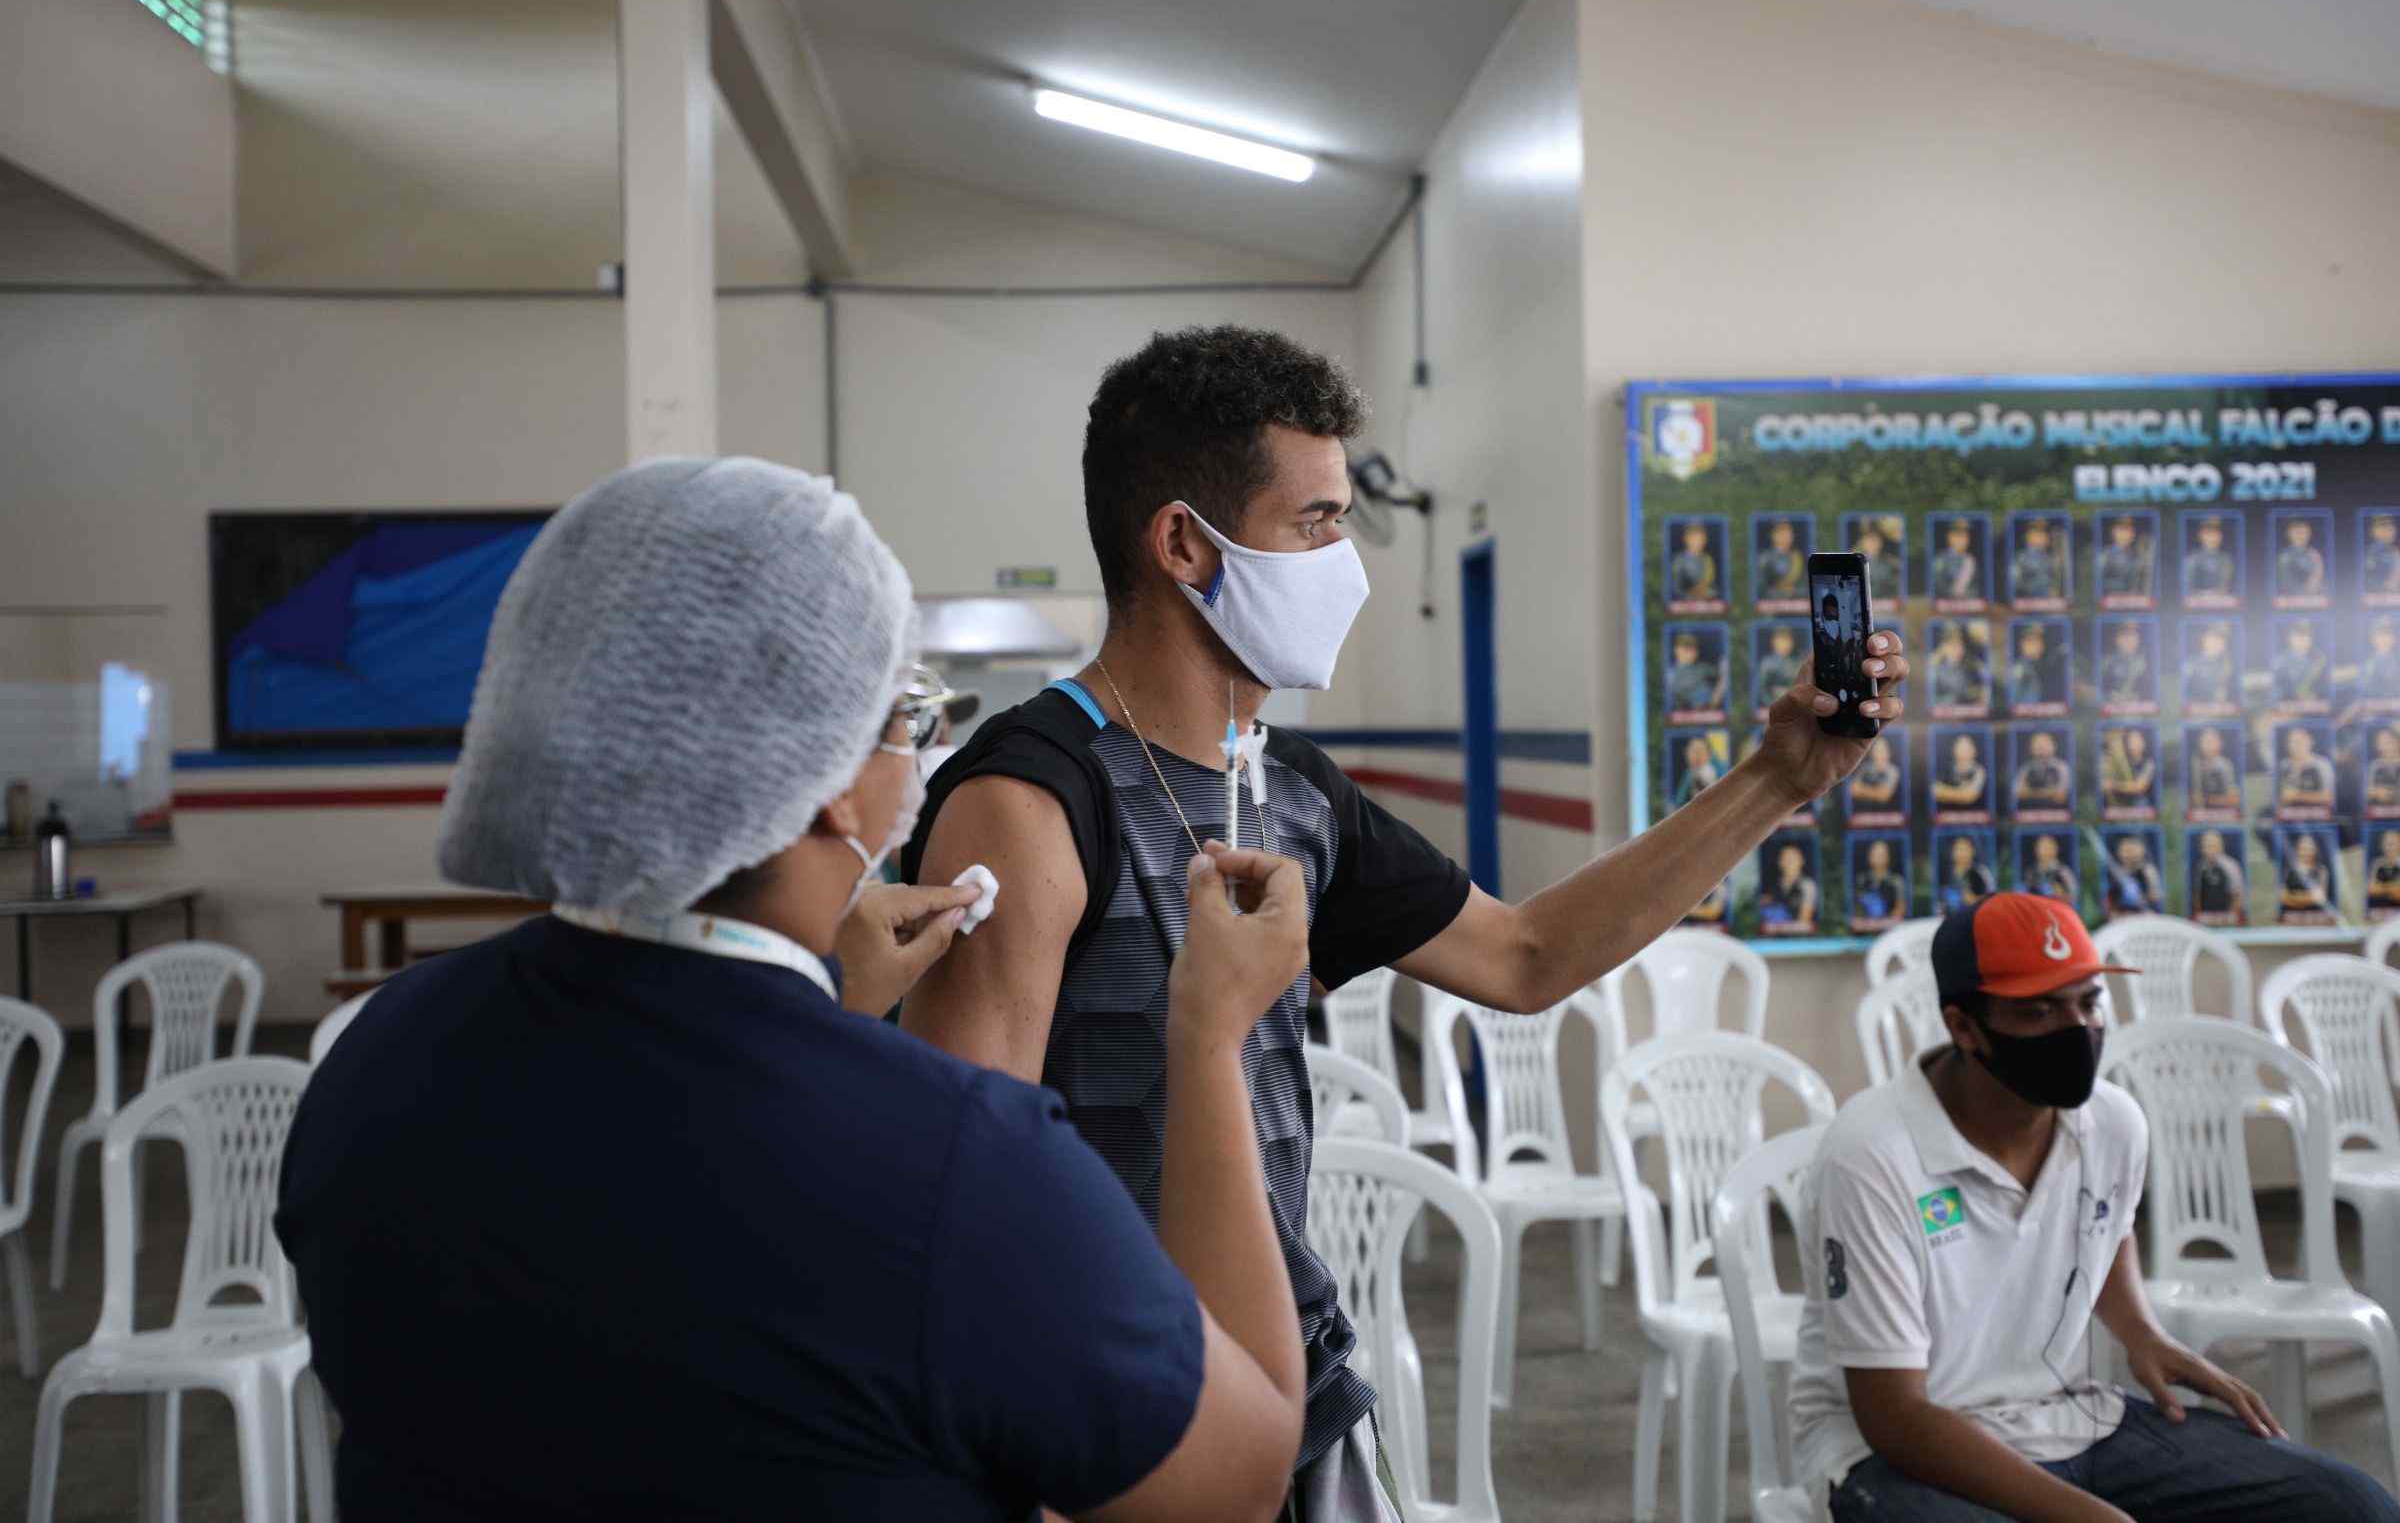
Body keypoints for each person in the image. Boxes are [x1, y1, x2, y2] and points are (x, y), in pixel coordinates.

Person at [898, 326, 1908, 1506]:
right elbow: (961, 1185)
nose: (1346, 564)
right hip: (1110, 1404)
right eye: (1316, 523)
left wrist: (1774, 782)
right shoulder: (1029, 796)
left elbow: (1526, 956)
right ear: (1183, 542)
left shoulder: (1294, 789)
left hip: (1283, 1371)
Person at [277, 460, 1327, 1523]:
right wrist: (1208, 1035)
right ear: (827, 780)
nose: (919, 759)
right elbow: (1234, 1480)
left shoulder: (378, 1054)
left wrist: (823, 1010)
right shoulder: (954, 1161)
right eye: (909, 718)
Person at [1793, 893, 2400, 1523]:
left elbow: (2104, 1226)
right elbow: (1896, 1419)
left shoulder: (2111, 1123)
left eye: (2088, 1003)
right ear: (1964, 1026)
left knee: (2351, 1505)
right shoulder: (1871, 1156)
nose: (2075, 1031)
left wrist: (2142, 1333)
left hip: (2070, 1418)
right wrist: (2090, 1516)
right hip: (1893, 1456)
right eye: (2039, 1012)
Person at [1928, 623, 1989, 712]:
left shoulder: (1972, 667)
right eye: (1953, 646)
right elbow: (1933, 700)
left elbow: (1983, 690)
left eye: (1960, 646)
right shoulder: (1936, 670)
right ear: (1944, 647)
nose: (1958, 650)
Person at [2277, 726, 2334, 817]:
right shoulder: (2283, 765)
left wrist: (2296, 796)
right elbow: (2279, 796)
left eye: (2301, 741)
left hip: (2317, 814)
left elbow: (2328, 797)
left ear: (2310, 741)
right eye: (2293, 741)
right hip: (2288, 814)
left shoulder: (2322, 765)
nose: (2297, 745)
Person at [2099, 729, 2155, 817]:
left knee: (2141, 802)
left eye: (2137, 740)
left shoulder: (2150, 764)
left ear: (2144, 743)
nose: (2133, 743)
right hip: (2121, 804)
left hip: (2142, 806)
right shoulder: (2121, 761)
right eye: (2131, 740)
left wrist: (2113, 785)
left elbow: (2139, 787)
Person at [1665, 629, 1724, 713]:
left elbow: (1720, 672)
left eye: (1694, 649)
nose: (1693, 653)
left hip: (1715, 705)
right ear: (1677, 650)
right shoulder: (1671, 675)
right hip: (1701, 711)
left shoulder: (1701, 667)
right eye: (1687, 649)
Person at [2104, 834, 2163, 917]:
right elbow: (2111, 899)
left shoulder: (2147, 870)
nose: (2129, 854)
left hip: (2143, 913)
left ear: (2141, 851)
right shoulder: (2116, 873)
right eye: (2125, 850)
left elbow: (2155, 896)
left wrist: (2145, 896)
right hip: (2121, 914)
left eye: (2132, 850)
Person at [1764, 840, 1820, 928]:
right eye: (1785, 858)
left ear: (1801, 861)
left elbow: (1804, 920)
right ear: (1779, 862)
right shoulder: (1773, 885)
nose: (1789, 862)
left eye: (1793, 858)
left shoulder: (1808, 886)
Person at [2281, 833, 2335, 920]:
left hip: (2315, 917)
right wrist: (2308, 897)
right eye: (2303, 848)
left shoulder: (2321, 870)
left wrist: (2295, 897)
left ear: (2314, 850)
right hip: (2291, 916)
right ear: (2298, 850)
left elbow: (2320, 898)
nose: (2306, 852)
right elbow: (2284, 898)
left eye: (2309, 849)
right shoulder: (2289, 870)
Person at [2273, 621, 2328, 707]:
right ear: (2289, 638)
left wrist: (2315, 699)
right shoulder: (2280, 661)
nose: (2302, 640)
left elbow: (2324, 689)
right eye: (2298, 635)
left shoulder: (2320, 659)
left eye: (2306, 635)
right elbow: (2276, 692)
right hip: (2287, 709)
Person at [2013, 730, 2068, 812]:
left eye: (2045, 744)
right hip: (2029, 815)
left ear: (2054, 746)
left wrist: (2031, 793)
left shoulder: (2063, 768)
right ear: (2032, 749)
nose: (2042, 748)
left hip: (2056, 815)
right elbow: (2018, 794)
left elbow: (2061, 797)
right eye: (2038, 745)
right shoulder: (2026, 769)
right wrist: (2050, 792)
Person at [2189, 728, 2240, 817]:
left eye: (2212, 741)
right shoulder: (2195, 764)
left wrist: (2208, 800)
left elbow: (2234, 800)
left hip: (2223, 814)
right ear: (2200, 744)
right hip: (2201, 815)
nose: (2209, 745)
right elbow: (2195, 799)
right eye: (2205, 741)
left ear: (2220, 743)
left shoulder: (2226, 765)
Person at [2184, 623, 2236, 710]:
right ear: (2204, 639)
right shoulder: (2191, 663)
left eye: (2222, 639)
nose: (2217, 642)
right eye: (2214, 637)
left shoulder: (2229, 666)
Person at [2097, 515, 2151, 599]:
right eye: (2121, 530)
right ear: (2113, 532)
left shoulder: (2138, 555)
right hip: (2112, 599)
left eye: (2129, 531)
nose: (2125, 534)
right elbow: (2100, 581)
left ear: (2133, 534)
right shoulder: (2105, 555)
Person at [1940, 836, 1997, 914]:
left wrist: (1974, 900)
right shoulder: (1943, 874)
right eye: (1958, 849)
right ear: (1952, 852)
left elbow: (1992, 898)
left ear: (1973, 851)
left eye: (1964, 849)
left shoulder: (1982, 872)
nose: (1961, 853)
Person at [2011, 518, 2064, 603]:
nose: (2043, 537)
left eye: (2044, 533)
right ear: (2028, 537)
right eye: (2037, 533)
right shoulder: (2022, 557)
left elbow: (2055, 577)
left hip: (2048, 600)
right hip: (2028, 599)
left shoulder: (2048, 557)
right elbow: (2016, 580)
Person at [2182, 517, 2235, 601]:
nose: (2212, 537)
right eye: (2208, 533)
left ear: (2220, 536)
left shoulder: (2225, 559)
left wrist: (2218, 595)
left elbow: (2225, 584)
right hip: (2196, 600)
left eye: (2216, 533)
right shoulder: (2192, 558)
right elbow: (2187, 582)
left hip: (2219, 600)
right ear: (2201, 535)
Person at [2100, 623, 2149, 709]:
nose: (2130, 640)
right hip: (2111, 710)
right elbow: (2093, 689)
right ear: (2117, 639)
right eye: (2125, 635)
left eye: (2133, 635)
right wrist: (2108, 697)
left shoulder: (2145, 663)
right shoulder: (2107, 662)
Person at [1934, 733, 1989, 812]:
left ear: (1974, 751)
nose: (1962, 751)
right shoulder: (1946, 769)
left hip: (1973, 816)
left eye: (1966, 748)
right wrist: (1960, 793)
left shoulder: (1979, 771)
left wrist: (1945, 793)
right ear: (1954, 750)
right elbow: (1935, 791)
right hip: (1947, 815)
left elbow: (1968, 796)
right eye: (1960, 747)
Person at [1855, 839, 1905, 923]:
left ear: (1888, 857)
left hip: (1890, 929)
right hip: (1865, 929)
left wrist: (1885, 921)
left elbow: (1901, 908)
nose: (1879, 858)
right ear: (1870, 857)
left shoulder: (1897, 881)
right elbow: (1857, 907)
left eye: (1882, 854)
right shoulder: (1861, 880)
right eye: (1876, 854)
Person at [2008, 624, 2055, 711]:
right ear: (2022, 644)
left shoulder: (2046, 665)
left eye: (2039, 640)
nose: (2035, 645)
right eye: (2030, 641)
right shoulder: (2018, 669)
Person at [1757, 624, 1804, 710]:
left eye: (1787, 640)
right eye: (1780, 640)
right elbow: (1762, 689)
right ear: (1773, 642)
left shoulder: (1798, 661)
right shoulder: (1767, 663)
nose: (1784, 644)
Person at [2277, 517, 2327, 598]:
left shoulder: (2314, 554)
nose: (2300, 535)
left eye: (2304, 532)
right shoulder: (2285, 556)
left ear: (2309, 533)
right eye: (2296, 532)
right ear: (2288, 534)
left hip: (2313, 596)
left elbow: (2319, 577)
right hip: (2292, 596)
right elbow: (2285, 581)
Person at [1758, 517, 1806, 601]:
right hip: (1772, 605)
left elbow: (1803, 584)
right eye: (1781, 531)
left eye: (1789, 531)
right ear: (1773, 535)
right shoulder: (1765, 557)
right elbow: (1761, 588)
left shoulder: (1797, 556)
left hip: (1797, 605)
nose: (1786, 534)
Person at [1850, 736, 1902, 812]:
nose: (1880, 754)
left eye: (1882, 751)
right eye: (1877, 751)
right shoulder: (1866, 769)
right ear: (1873, 753)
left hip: (1888, 814)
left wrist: (1863, 791)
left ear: (1888, 753)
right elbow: (1853, 790)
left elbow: (1884, 796)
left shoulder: (1893, 770)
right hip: (1864, 813)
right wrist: (1876, 791)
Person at [1671, 520, 1719, 602]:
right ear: (1686, 539)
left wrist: (1702, 588)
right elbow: (1676, 582)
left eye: (1700, 539)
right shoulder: (1679, 559)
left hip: (1704, 595)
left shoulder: (1707, 559)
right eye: (1693, 538)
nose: (1696, 542)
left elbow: (1709, 580)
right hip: (1683, 595)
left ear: (1705, 540)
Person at [1933, 519, 1981, 602]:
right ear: (1949, 537)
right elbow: (1937, 583)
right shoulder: (1941, 559)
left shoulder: (1971, 560)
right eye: (1958, 536)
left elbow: (1976, 586)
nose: (1962, 540)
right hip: (1946, 606)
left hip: (1970, 606)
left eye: (1965, 536)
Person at [2020, 834, 2075, 900]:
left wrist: (2061, 893)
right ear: (2036, 849)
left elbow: (2073, 896)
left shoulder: (2063, 871)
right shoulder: (2030, 871)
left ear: (2056, 849)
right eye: (2042, 847)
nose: (2046, 851)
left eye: (2049, 847)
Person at [1676, 733, 1724, 807]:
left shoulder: (1711, 771)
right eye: (1690, 750)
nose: (1692, 755)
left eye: (1697, 751)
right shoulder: (1689, 773)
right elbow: (1680, 801)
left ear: (1708, 754)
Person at [1857, 521, 1900, 604]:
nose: (1874, 544)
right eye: (1870, 540)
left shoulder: (1889, 561)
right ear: (1863, 542)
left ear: (1881, 542)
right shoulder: (1857, 562)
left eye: (1877, 540)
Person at [2369, 726, 2400, 816]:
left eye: (2388, 742)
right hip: (2380, 814)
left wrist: (2391, 795)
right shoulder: (2375, 765)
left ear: (2397, 742)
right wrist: (2375, 793)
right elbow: (2369, 791)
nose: (2384, 747)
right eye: (2380, 743)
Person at [2366, 617, 2400, 701]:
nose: (2384, 639)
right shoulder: (2368, 664)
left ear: (2395, 639)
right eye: (2380, 634)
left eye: (2388, 634)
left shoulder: (2396, 662)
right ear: (2372, 639)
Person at [2369, 828, 2400, 913]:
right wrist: (2392, 887)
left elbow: (2398, 895)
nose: (2389, 847)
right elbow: (2371, 890)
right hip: (2379, 911)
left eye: (2392, 844)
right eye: (2386, 844)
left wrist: (2381, 887)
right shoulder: (2378, 863)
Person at [2370, 513, 2400, 597]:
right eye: (2383, 525)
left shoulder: (2395, 552)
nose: (2389, 530)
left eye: (2391, 526)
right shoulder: (2371, 553)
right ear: (2373, 530)